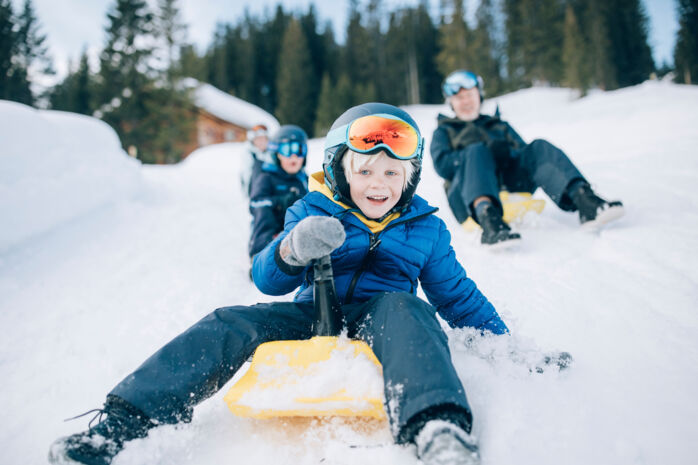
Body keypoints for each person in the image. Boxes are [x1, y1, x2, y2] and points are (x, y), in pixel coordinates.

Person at [49, 103, 508, 465]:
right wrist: (291, 248)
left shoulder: (425, 228)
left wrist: (508, 346)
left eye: (392, 173)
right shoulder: (312, 208)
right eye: (364, 170)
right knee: (231, 321)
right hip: (313, 313)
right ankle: (124, 425)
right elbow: (266, 279)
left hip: (383, 317)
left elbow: (457, 296)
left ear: (409, 179)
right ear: (341, 173)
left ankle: (437, 425)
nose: (378, 184)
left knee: (411, 309)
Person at [431, 69, 624, 247]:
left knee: (538, 146)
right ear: (451, 103)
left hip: (510, 186)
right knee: (476, 152)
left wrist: (505, 153)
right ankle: (489, 220)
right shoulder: (444, 131)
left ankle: (585, 200)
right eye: (459, 98)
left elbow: (526, 156)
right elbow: (442, 166)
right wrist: (474, 155)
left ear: (479, 96)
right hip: (467, 198)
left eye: (469, 95)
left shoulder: (499, 125)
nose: (465, 102)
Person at [248, 125, 309, 260]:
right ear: (277, 154)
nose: (294, 156)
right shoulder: (267, 177)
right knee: (263, 212)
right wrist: (281, 202)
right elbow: (256, 203)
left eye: (298, 150)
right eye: (287, 150)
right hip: (273, 230)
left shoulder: (304, 179)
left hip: (296, 233)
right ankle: (259, 256)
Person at [240, 123, 274, 196]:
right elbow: (246, 176)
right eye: (258, 139)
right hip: (255, 192)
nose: (261, 142)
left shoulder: (272, 154)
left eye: (263, 139)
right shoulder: (249, 155)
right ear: (253, 141)